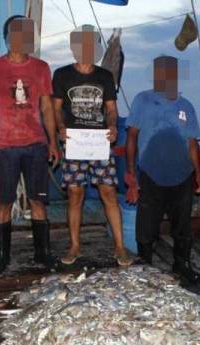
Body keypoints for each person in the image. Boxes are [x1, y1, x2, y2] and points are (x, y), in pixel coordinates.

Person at [0, 16, 60, 276]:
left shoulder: (42, 68)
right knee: (3, 202)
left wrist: (53, 141)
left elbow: (47, 107)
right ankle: (2, 257)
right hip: (6, 146)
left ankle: (43, 254)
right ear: (8, 36)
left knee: (38, 201)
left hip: (36, 144)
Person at [52, 25, 132, 266]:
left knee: (108, 191)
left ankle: (120, 247)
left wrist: (114, 126)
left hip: (99, 143)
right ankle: (75, 246)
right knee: (75, 194)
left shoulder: (105, 76)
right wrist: (60, 128)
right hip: (74, 144)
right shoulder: (62, 74)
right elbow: (56, 109)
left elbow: (111, 110)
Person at [125, 55, 200, 283]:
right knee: (146, 225)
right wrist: (131, 173)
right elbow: (131, 137)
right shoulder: (142, 100)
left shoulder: (186, 106)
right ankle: (144, 265)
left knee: (183, 225)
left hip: (182, 175)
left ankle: (182, 264)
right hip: (150, 173)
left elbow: (191, 143)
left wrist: (198, 173)